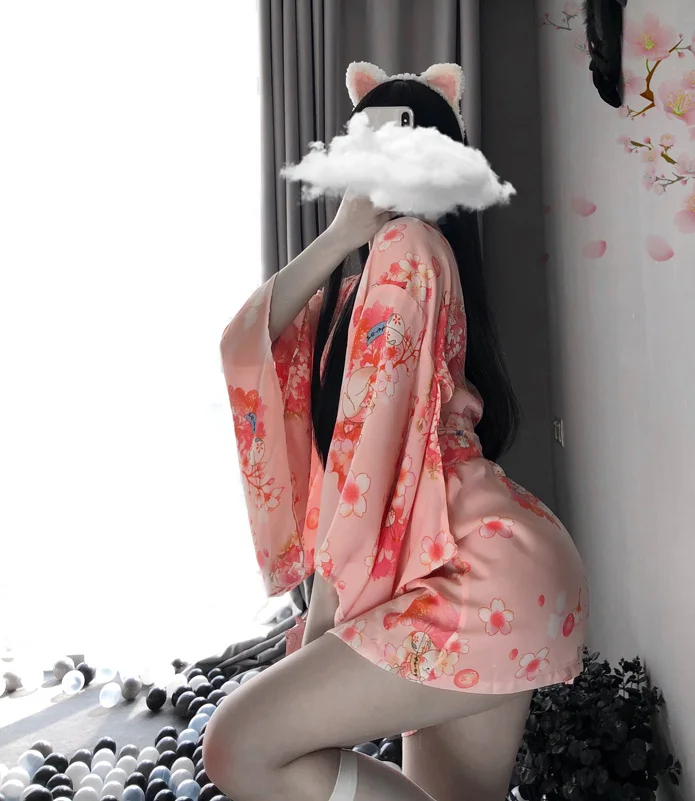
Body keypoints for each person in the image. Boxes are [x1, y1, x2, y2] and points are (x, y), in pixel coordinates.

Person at [204, 62, 588, 801]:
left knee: (240, 744)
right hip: (488, 567)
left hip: (475, 571)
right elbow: (247, 344)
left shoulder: (409, 250)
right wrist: (339, 236)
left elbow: (365, 451)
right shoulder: (365, 283)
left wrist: (325, 617)